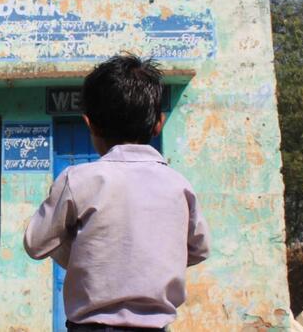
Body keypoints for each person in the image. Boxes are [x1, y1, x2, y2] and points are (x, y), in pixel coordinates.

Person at [24, 54, 210, 332]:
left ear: (90, 125)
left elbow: (36, 243)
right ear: (158, 123)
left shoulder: (78, 180)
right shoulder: (178, 185)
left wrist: (82, 253)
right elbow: (199, 249)